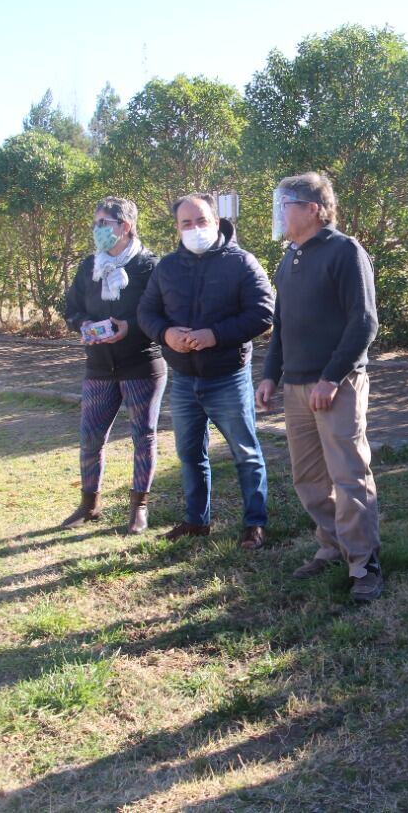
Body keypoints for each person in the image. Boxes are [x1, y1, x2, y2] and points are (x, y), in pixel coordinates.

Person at [255, 172, 383, 603]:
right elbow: (282, 327)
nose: (278, 214)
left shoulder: (345, 252)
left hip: (337, 384)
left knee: (348, 474)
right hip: (295, 386)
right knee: (308, 478)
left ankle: (364, 563)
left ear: (312, 208)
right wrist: (271, 374)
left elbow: (364, 321)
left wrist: (331, 377)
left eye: (284, 204)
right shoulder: (288, 258)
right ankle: (333, 547)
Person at [138, 193, 274, 549]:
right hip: (183, 378)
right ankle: (197, 521)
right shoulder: (166, 267)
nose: (194, 228)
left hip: (227, 376)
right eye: (186, 223)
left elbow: (262, 312)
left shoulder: (241, 262)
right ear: (177, 228)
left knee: (245, 452)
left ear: (216, 221)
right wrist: (166, 334)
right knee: (189, 454)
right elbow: (147, 313)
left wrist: (213, 335)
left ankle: (255, 524)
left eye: (201, 221)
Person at [62, 197, 166, 535]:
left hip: (141, 364)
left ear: (125, 226)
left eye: (104, 223)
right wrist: (84, 327)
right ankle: (89, 504)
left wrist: (129, 328)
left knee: (143, 436)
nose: (97, 230)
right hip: (99, 367)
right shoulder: (88, 267)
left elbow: (161, 313)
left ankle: (139, 507)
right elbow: (72, 308)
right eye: (95, 223)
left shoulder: (149, 266)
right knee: (90, 436)